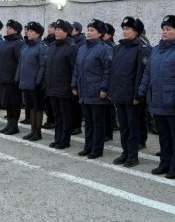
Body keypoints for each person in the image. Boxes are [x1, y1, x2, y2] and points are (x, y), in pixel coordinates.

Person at [138, 15, 175, 179]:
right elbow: (147, 73)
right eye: (163, 29)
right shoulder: (156, 50)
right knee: (163, 135)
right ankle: (164, 163)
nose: (164, 32)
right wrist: (142, 91)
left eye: (168, 29)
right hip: (157, 100)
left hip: (174, 102)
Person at [109, 16, 150, 167]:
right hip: (119, 94)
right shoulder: (119, 48)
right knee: (124, 127)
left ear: (136, 32)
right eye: (124, 29)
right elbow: (113, 72)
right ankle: (125, 152)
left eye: (128, 29)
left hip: (132, 96)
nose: (125, 32)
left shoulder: (141, 49)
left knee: (133, 128)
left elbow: (141, 74)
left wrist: (138, 95)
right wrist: (112, 92)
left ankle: (133, 156)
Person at [72, 19, 113, 159]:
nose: (89, 33)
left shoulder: (105, 49)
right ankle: (87, 147)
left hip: (97, 92)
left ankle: (97, 149)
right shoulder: (82, 48)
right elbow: (77, 68)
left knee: (98, 123)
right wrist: (74, 84)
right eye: (88, 30)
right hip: (84, 90)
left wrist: (104, 88)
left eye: (92, 30)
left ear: (100, 33)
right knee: (88, 122)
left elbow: (108, 71)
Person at [45, 19, 78, 149]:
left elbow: (74, 69)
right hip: (52, 87)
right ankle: (57, 138)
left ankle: (65, 140)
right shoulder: (52, 46)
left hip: (64, 89)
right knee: (57, 115)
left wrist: (72, 87)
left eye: (59, 30)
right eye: (56, 29)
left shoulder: (72, 48)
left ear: (66, 32)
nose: (56, 32)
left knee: (66, 116)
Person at [17, 21, 48, 141]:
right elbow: (21, 64)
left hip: (35, 84)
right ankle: (32, 130)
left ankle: (38, 132)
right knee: (30, 107)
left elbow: (42, 66)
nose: (28, 33)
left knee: (37, 108)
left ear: (38, 34)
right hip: (26, 82)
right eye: (28, 31)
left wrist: (38, 81)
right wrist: (18, 78)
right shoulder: (26, 46)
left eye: (31, 31)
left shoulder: (42, 47)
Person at [0, 19, 25, 135]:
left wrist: (17, 78)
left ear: (16, 31)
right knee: (6, 102)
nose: (7, 30)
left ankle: (14, 125)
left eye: (10, 28)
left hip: (12, 79)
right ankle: (9, 124)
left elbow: (19, 62)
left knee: (14, 103)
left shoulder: (19, 43)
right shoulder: (4, 42)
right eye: (7, 28)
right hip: (3, 78)